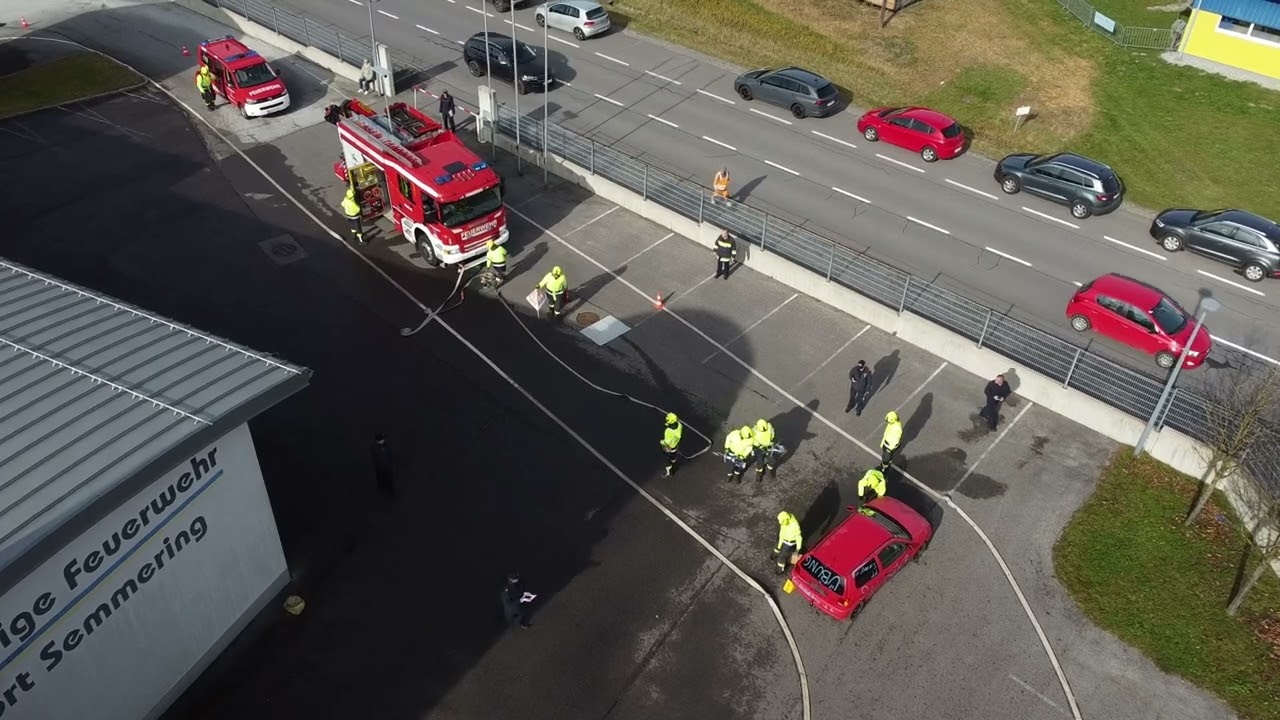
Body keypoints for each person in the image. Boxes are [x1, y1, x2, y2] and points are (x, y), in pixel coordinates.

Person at [660, 412, 683, 477]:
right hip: (675, 445)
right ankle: (674, 463)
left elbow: (667, 442)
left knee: (667, 460)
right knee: (673, 457)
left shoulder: (668, 431)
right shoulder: (679, 425)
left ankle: (669, 472)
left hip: (669, 447)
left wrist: (662, 442)